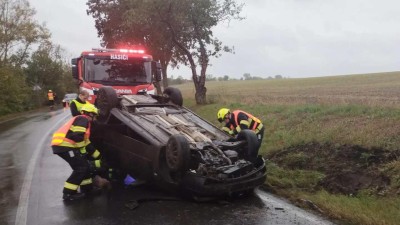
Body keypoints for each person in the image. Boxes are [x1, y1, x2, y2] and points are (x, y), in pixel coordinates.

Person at [51, 104, 103, 201]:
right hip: (64, 146)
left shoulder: (81, 120)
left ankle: (87, 189)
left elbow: (87, 144)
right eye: (95, 116)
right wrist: (82, 152)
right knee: (80, 168)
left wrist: (98, 155)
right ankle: (68, 194)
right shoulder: (83, 119)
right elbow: (77, 137)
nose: (95, 118)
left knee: (85, 166)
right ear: (90, 114)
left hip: (65, 146)